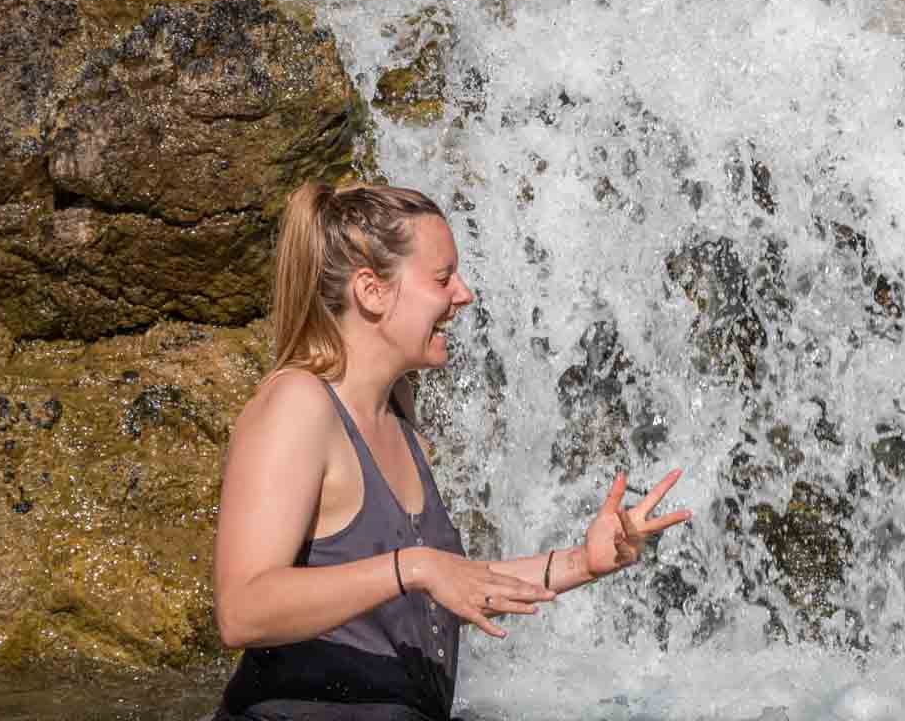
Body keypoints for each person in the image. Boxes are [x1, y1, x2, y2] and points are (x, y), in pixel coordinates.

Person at [212, 181, 691, 720]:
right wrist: (412, 567)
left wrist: (584, 562)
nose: (463, 294)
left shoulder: (398, 414)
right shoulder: (299, 405)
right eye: (443, 278)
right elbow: (241, 609)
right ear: (372, 291)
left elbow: (444, 585)